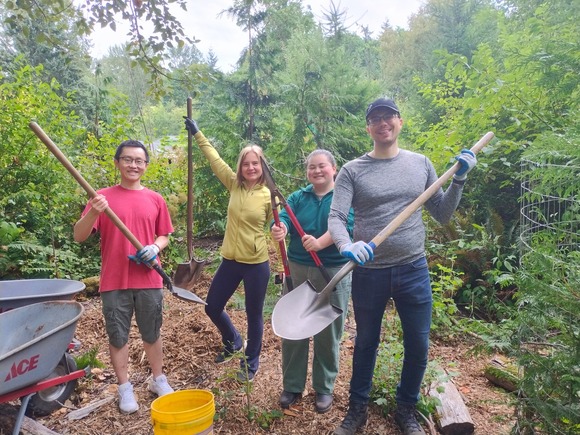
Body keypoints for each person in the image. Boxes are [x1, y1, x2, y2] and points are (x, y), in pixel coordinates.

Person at [328, 98, 477, 435]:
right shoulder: (353, 170)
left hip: (413, 269)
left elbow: (442, 214)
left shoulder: (420, 163)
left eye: (389, 117)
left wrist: (459, 181)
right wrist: (347, 245)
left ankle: (406, 411)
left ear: (400, 122)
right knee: (366, 342)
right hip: (369, 273)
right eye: (376, 119)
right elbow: (336, 217)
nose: (383, 123)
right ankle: (357, 411)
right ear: (368, 128)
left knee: (418, 344)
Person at [73, 140, 175, 415]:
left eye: (139, 161)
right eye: (128, 160)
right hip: (114, 280)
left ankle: (158, 379)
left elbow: (164, 234)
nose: (133, 165)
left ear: (146, 165)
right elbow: (79, 235)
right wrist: (94, 210)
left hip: (149, 278)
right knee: (118, 336)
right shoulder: (102, 197)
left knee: (152, 332)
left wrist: (155, 247)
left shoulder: (155, 198)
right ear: (117, 162)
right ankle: (124, 386)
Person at [184, 117, 273, 383]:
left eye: (255, 163)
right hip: (230, 260)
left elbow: (280, 224)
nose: (250, 167)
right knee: (212, 307)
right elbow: (215, 160)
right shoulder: (233, 184)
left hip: (257, 263)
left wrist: (284, 231)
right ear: (241, 166)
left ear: (262, 165)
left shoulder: (270, 195)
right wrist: (199, 134)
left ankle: (251, 361)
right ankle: (233, 340)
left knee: (254, 313)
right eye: (246, 163)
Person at [270, 150, 354, 414]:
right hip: (298, 268)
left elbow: (347, 224)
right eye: (311, 168)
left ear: (333, 168)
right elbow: (284, 217)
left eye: (322, 167)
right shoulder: (298, 197)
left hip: (332, 269)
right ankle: (293, 385)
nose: (317, 171)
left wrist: (321, 242)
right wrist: (280, 228)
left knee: (328, 330)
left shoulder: (343, 195)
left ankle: (324, 387)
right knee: (294, 324)